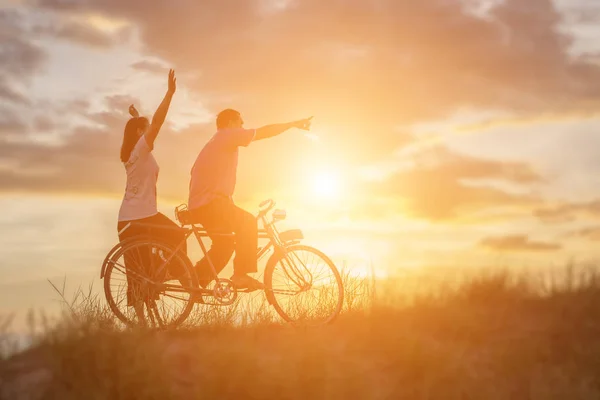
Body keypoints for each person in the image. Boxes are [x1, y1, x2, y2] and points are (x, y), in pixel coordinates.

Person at [187, 109, 313, 290]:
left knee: (225, 244)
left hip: (204, 205)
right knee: (248, 223)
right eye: (240, 122)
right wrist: (291, 124)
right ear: (230, 123)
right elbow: (264, 132)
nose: (243, 126)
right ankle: (240, 275)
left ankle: (196, 282)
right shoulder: (227, 136)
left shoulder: (217, 141)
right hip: (210, 204)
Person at [117, 69, 187, 317]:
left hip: (131, 219)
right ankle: (181, 278)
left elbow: (146, 126)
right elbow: (156, 123)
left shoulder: (136, 152)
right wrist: (169, 94)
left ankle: (145, 316)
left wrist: (137, 117)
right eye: (144, 130)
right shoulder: (141, 149)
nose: (150, 133)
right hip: (140, 218)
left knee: (140, 269)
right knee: (178, 237)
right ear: (140, 134)